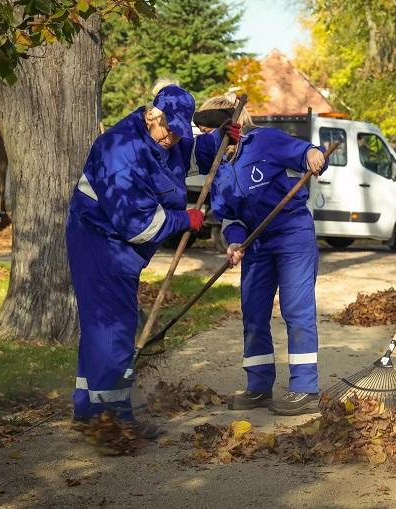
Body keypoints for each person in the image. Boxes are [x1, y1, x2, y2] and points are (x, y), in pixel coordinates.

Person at [66, 84, 222, 435]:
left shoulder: (168, 140)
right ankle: (111, 423)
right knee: (113, 326)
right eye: (169, 130)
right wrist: (187, 219)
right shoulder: (120, 150)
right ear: (152, 115)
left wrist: (224, 138)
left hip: (118, 246)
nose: (173, 139)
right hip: (99, 241)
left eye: (181, 132)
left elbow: (193, 154)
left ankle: (88, 410)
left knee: (102, 325)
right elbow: (139, 224)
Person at [197, 95, 328, 416]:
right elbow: (230, 217)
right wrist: (234, 242)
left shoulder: (264, 140)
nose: (207, 137)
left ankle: (305, 388)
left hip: (291, 234)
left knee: (296, 311)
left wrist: (313, 154)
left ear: (229, 125)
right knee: (253, 313)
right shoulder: (220, 168)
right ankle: (259, 386)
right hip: (256, 243)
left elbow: (303, 152)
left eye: (210, 130)